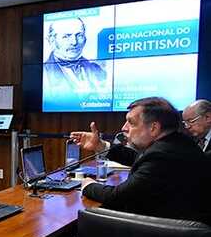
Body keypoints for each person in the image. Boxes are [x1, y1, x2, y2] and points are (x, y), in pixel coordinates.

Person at [70, 96, 211, 223]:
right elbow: (138, 158)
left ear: (154, 128)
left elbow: (117, 197)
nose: (124, 128)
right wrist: (100, 146)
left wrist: (88, 185)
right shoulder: (177, 142)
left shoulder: (161, 156)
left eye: (131, 123)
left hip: (167, 236)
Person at [43, 17, 110, 108]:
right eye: (66, 36)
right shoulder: (42, 73)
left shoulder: (97, 69)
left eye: (79, 35)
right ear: (52, 41)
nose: (74, 42)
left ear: (85, 39)